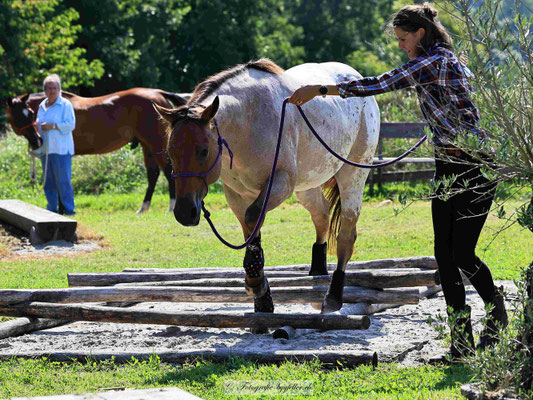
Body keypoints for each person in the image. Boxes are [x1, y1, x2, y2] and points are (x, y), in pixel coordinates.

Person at [288, 2, 507, 360]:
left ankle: (497, 312)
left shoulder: (434, 62)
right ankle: (461, 344)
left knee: (462, 254)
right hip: (448, 164)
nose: (401, 46)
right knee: (444, 255)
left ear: (421, 33)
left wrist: (321, 89)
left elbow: (380, 83)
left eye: (404, 39)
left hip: (473, 165)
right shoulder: (441, 60)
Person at [36, 74, 76, 216]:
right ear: (45, 90)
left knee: (63, 182)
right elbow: (39, 125)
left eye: (54, 88)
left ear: (59, 89)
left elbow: (71, 124)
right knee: (49, 183)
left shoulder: (65, 105)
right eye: (49, 88)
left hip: (61, 149)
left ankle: (69, 211)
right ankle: (51, 210)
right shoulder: (42, 106)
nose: (52, 91)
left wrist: (53, 126)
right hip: (46, 151)